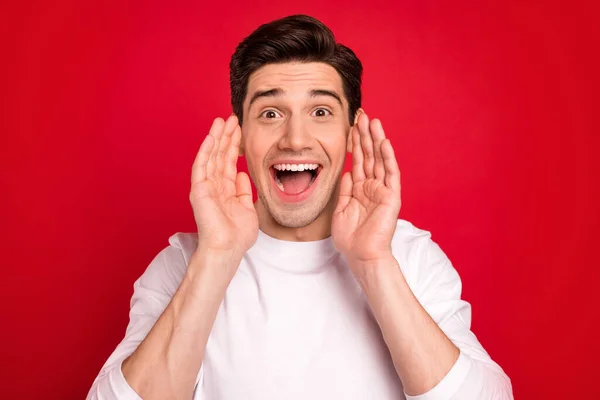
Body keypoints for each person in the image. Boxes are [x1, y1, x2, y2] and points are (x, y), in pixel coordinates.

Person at [87, 14, 513, 400]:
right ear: (240, 136)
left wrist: (373, 262)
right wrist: (216, 257)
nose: (295, 138)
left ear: (351, 131)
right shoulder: (184, 262)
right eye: (270, 113)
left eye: (321, 111)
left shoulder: (410, 257)